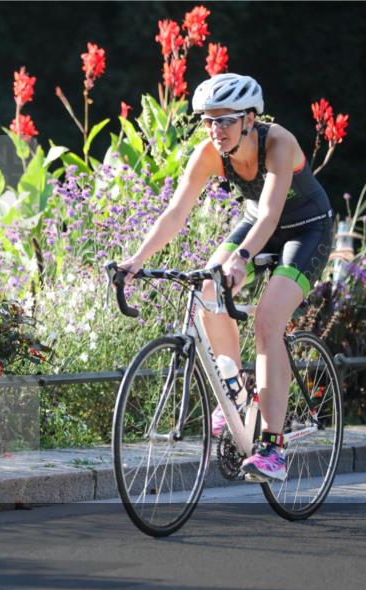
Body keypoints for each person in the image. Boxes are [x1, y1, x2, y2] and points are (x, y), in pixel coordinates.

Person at [116, 73, 334, 483]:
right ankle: (233, 387)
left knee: (269, 320)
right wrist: (135, 259)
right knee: (207, 286)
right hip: (255, 225)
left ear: (250, 118)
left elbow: (271, 214)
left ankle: (273, 447)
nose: (215, 130)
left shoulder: (279, 143)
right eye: (208, 121)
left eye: (225, 120)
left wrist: (242, 259)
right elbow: (175, 214)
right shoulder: (209, 153)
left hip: (307, 230)